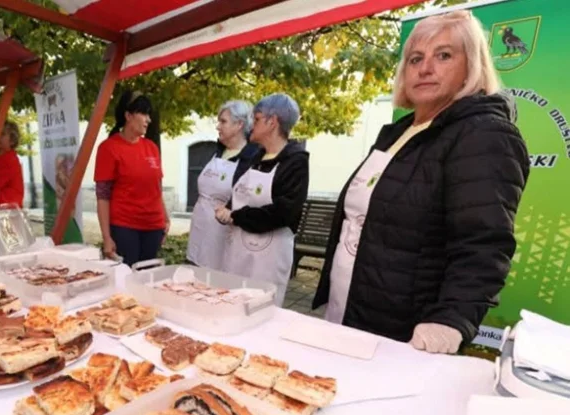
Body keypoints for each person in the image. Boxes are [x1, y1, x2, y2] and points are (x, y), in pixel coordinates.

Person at [313, 11, 529, 354]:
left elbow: (483, 246)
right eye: (416, 59)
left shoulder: (484, 134)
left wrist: (451, 320)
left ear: (471, 66)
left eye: (443, 55)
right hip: (351, 310)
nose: (425, 68)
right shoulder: (398, 132)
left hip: (406, 333)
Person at [215, 94, 309, 305]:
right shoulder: (256, 157)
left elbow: (284, 212)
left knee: (260, 310)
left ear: (272, 122)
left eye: (256, 119)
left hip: (267, 260)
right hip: (237, 254)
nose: (251, 126)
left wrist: (236, 216)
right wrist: (228, 208)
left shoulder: (295, 162)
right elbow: (241, 192)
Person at [95, 90, 170, 266]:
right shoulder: (109, 148)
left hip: (153, 227)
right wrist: (107, 237)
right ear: (128, 115)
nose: (148, 120)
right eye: (143, 113)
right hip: (125, 227)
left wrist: (165, 218)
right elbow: (102, 196)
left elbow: (156, 187)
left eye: (149, 114)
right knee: (127, 281)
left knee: (148, 280)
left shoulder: (151, 147)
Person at [186, 100, 259, 269]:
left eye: (223, 122)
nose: (218, 126)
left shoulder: (250, 157)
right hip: (200, 226)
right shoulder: (218, 151)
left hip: (223, 233)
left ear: (239, 124)